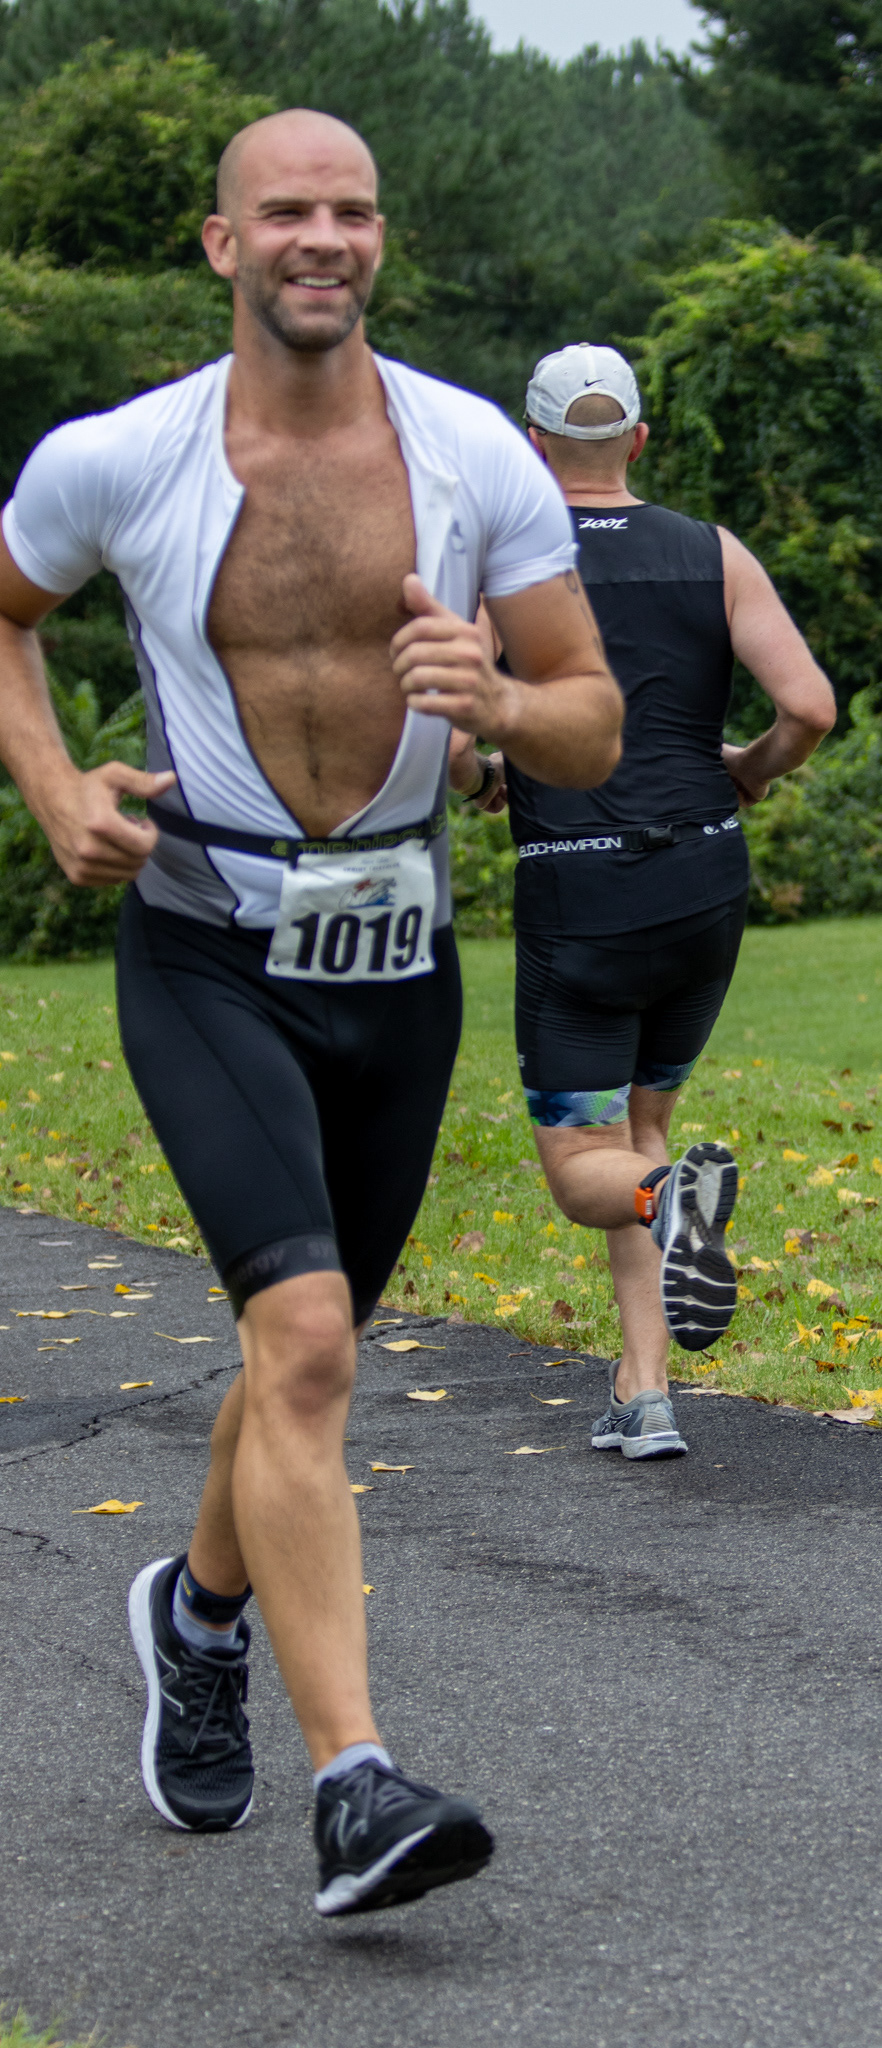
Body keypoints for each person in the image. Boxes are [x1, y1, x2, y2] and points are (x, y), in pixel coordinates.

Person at [0, 117, 623, 1915]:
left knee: (308, 1346)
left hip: (400, 961)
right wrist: (52, 789)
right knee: (309, 1340)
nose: (322, 237)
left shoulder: (472, 452)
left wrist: (498, 703)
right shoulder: (115, 457)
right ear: (223, 243)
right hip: (207, 947)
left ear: (380, 240)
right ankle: (357, 1780)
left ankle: (197, 1617)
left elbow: (589, 721)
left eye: (351, 210)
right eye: (286, 211)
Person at [500, 342, 836, 1460]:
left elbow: (448, 734)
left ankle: (671, 1200)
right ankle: (644, 1392)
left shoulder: (508, 561)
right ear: (638, 440)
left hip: (580, 886)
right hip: (704, 882)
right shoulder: (713, 551)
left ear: (535, 446)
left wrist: (483, 769)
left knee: (582, 1165)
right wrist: (752, 771)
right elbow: (809, 708)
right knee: (641, 1134)